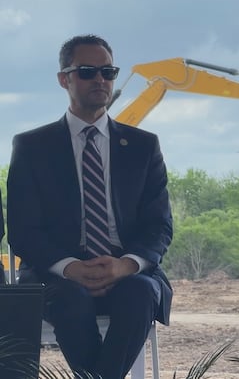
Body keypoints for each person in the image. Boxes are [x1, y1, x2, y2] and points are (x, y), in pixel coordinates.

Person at [6, 34, 173, 379]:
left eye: (108, 72)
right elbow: (23, 231)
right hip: (58, 275)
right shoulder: (32, 147)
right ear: (64, 79)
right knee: (71, 300)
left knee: (140, 294)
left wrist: (126, 265)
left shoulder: (143, 146)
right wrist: (70, 267)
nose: (100, 79)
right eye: (87, 71)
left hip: (128, 272)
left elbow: (159, 226)